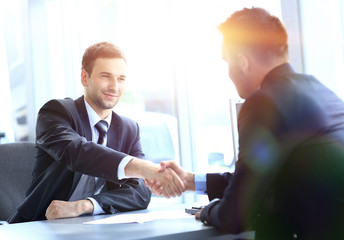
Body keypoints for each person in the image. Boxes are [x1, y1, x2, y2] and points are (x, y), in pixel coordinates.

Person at [147, 7, 344, 239]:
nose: (228, 72)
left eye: (227, 61)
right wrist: (191, 181)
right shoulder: (319, 90)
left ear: (242, 61)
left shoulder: (264, 104)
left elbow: (236, 213)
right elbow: (256, 177)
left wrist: (207, 211)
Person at [8, 42, 184, 223]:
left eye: (121, 79)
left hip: (93, 227)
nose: (114, 87)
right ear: (85, 77)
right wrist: (144, 168)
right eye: (106, 76)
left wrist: (87, 205)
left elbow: (140, 191)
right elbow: (77, 152)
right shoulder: (56, 112)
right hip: (40, 226)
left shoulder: (128, 129)